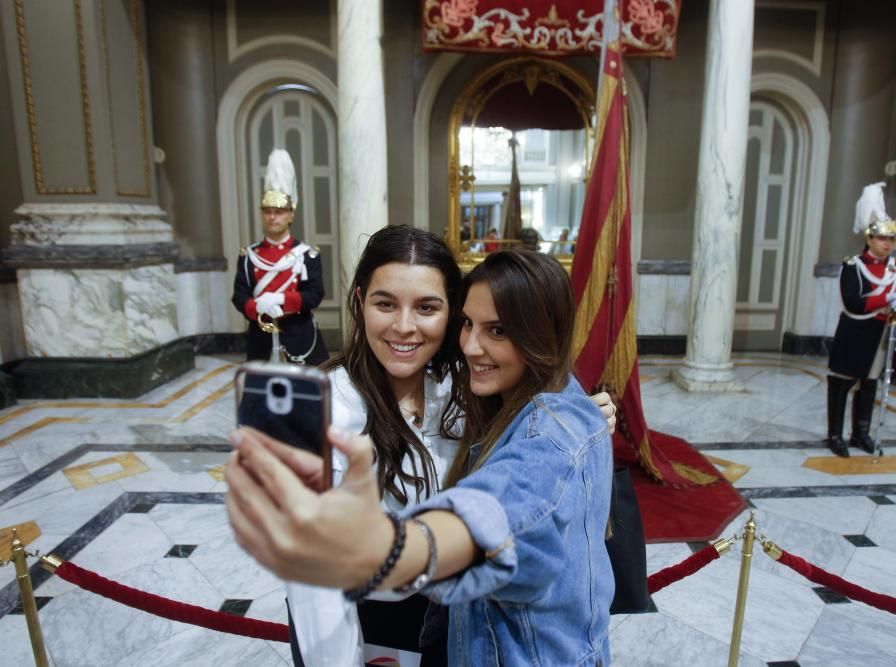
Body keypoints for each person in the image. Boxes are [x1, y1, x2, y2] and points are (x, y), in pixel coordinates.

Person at [226, 249, 615, 665]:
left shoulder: (470, 391)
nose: (405, 326)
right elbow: (314, 600)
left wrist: (385, 547)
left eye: (427, 307)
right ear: (359, 303)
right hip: (378, 628)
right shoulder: (331, 405)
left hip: (468, 632)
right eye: (385, 303)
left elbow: (502, 502)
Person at [826, 182, 896, 457]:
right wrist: (887, 298)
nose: (887, 244)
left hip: (882, 335)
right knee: (841, 383)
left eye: (891, 239)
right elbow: (853, 301)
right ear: (869, 239)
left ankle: (860, 433)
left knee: (870, 383)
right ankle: (834, 434)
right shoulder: (854, 265)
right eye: (882, 239)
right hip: (855, 332)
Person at [232, 149, 329, 366]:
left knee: (309, 395)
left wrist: (281, 300)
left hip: (300, 335)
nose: (273, 217)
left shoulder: (308, 254)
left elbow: (315, 294)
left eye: (279, 211)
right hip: (261, 337)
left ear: (291, 215)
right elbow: (239, 295)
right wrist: (256, 307)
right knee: (260, 395)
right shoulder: (249, 255)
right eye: (267, 211)